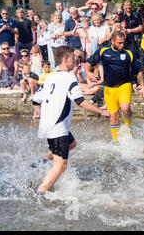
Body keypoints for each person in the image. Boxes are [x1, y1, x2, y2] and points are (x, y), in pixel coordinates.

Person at [31, 46, 110, 195]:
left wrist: (41, 114)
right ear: (65, 59)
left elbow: (35, 100)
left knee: (72, 144)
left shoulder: (50, 77)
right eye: (73, 58)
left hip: (50, 126)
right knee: (60, 165)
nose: (75, 60)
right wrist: (101, 111)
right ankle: (40, 192)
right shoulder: (69, 78)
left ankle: (41, 161)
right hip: (58, 127)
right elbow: (80, 100)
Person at [84, 31, 144, 145]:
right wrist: (87, 72)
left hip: (124, 85)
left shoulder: (130, 52)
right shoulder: (103, 50)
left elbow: (139, 71)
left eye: (123, 43)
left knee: (125, 107)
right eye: (119, 43)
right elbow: (89, 62)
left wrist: (143, 87)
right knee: (113, 115)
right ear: (112, 41)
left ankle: (127, 127)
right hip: (108, 88)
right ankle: (116, 141)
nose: (122, 45)